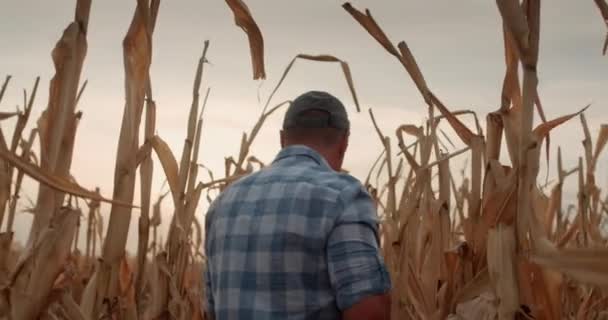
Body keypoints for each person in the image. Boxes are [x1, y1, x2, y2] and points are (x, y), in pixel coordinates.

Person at [204, 91, 391, 320]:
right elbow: (368, 311)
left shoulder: (222, 205)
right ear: (344, 143)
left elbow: (212, 311)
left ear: (283, 139)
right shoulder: (343, 196)